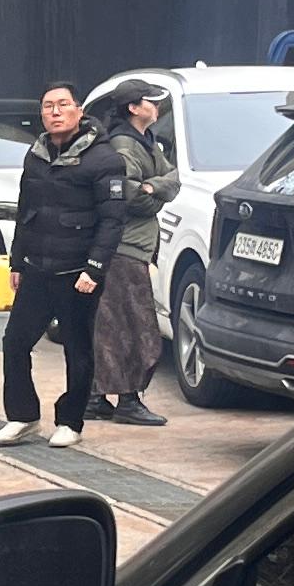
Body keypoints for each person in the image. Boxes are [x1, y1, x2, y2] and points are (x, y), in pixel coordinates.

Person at [0, 82, 125, 447]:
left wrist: (94, 268)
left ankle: (70, 421)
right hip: (37, 268)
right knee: (15, 342)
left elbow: (113, 220)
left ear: (79, 111)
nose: (55, 112)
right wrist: (17, 260)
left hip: (77, 273)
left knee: (77, 350)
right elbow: (26, 210)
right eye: (48, 106)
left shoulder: (104, 159)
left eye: (63, 104)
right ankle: (23, 416)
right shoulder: (36, 154)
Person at [91, 86, 179, 425]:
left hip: (134, 248)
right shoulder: (124, 145)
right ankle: (127, 400)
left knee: (113, 323)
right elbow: (132, 198)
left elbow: (174, 178)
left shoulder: (147, 141)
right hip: (124, 248)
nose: (157, 107)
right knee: (133, 325)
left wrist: (154, 186)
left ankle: (96, 397)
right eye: (151, 102)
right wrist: (155, 191)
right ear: (133, 107)